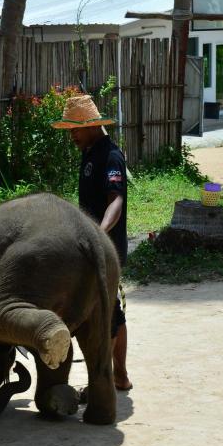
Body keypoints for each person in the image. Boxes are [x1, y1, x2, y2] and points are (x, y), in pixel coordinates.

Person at [52, 94, 132, 391]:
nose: (71, 135)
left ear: (90, 126)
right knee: (111, 311)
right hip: (90, 245)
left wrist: (99, 233)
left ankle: (106, 378)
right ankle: (120, 375)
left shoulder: (111, 156)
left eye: (75, 129)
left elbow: (116, 201)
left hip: (107, 247)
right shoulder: (90, 152)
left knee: (103, 312)